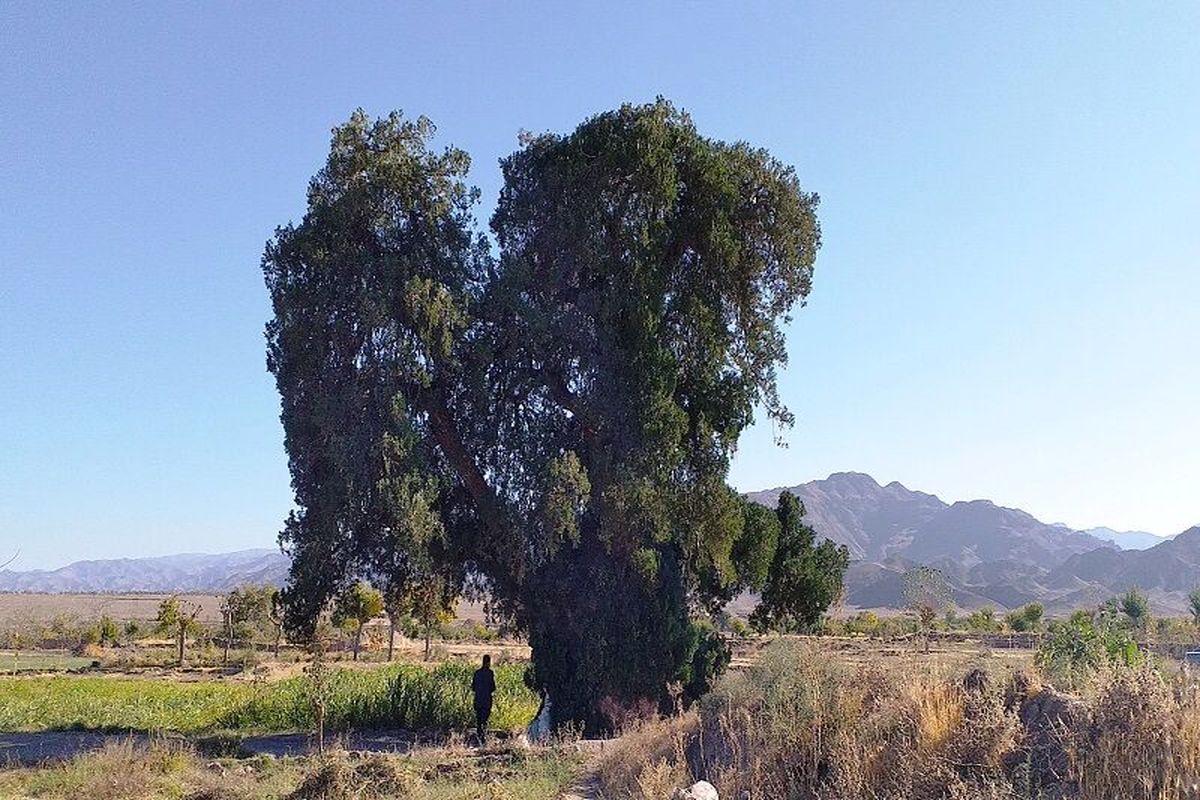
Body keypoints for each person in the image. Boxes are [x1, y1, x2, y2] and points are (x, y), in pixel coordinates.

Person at [471, 654, 496, 744]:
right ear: (489, 662)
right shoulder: (490, 673)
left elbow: (473, 687)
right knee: (484, 720)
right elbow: (493, 688)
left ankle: (479, 736)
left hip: (477, 700)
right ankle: (483, 738)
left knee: (478, 720)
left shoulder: (477, 673)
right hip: (486, 701)